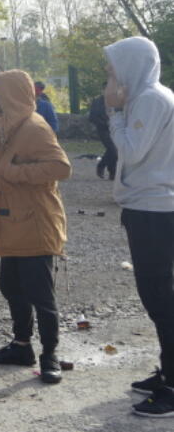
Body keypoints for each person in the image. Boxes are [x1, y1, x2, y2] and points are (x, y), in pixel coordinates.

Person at [0, 69, 70, 387]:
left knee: (41, 295)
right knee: (11, 286)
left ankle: (50, 355)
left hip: (35, 225)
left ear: (14, 95)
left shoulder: (35, 127)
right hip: (11, 223)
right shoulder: (6, 125)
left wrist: (14, 172)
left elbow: (61, 167)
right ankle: (22, 347)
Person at [103, 37, 174, 418]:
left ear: (132, 66)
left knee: (160, 299)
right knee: (160, 297)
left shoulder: (149, 99)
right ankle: (167, 372)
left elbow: (131, 152)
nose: (110, 80)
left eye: (112, 70)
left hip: (154, 210)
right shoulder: (151, 97)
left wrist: (114, 113)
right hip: (151, 207)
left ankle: (172, 387)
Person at [88, 83, 118, 181]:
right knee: (113, 150)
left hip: (116, 129)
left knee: (113, 150)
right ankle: (109, 170)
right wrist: (104, 123)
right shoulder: (97, 102)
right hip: (103, 130)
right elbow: (92, 117)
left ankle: (106, 168)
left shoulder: (118, 100)